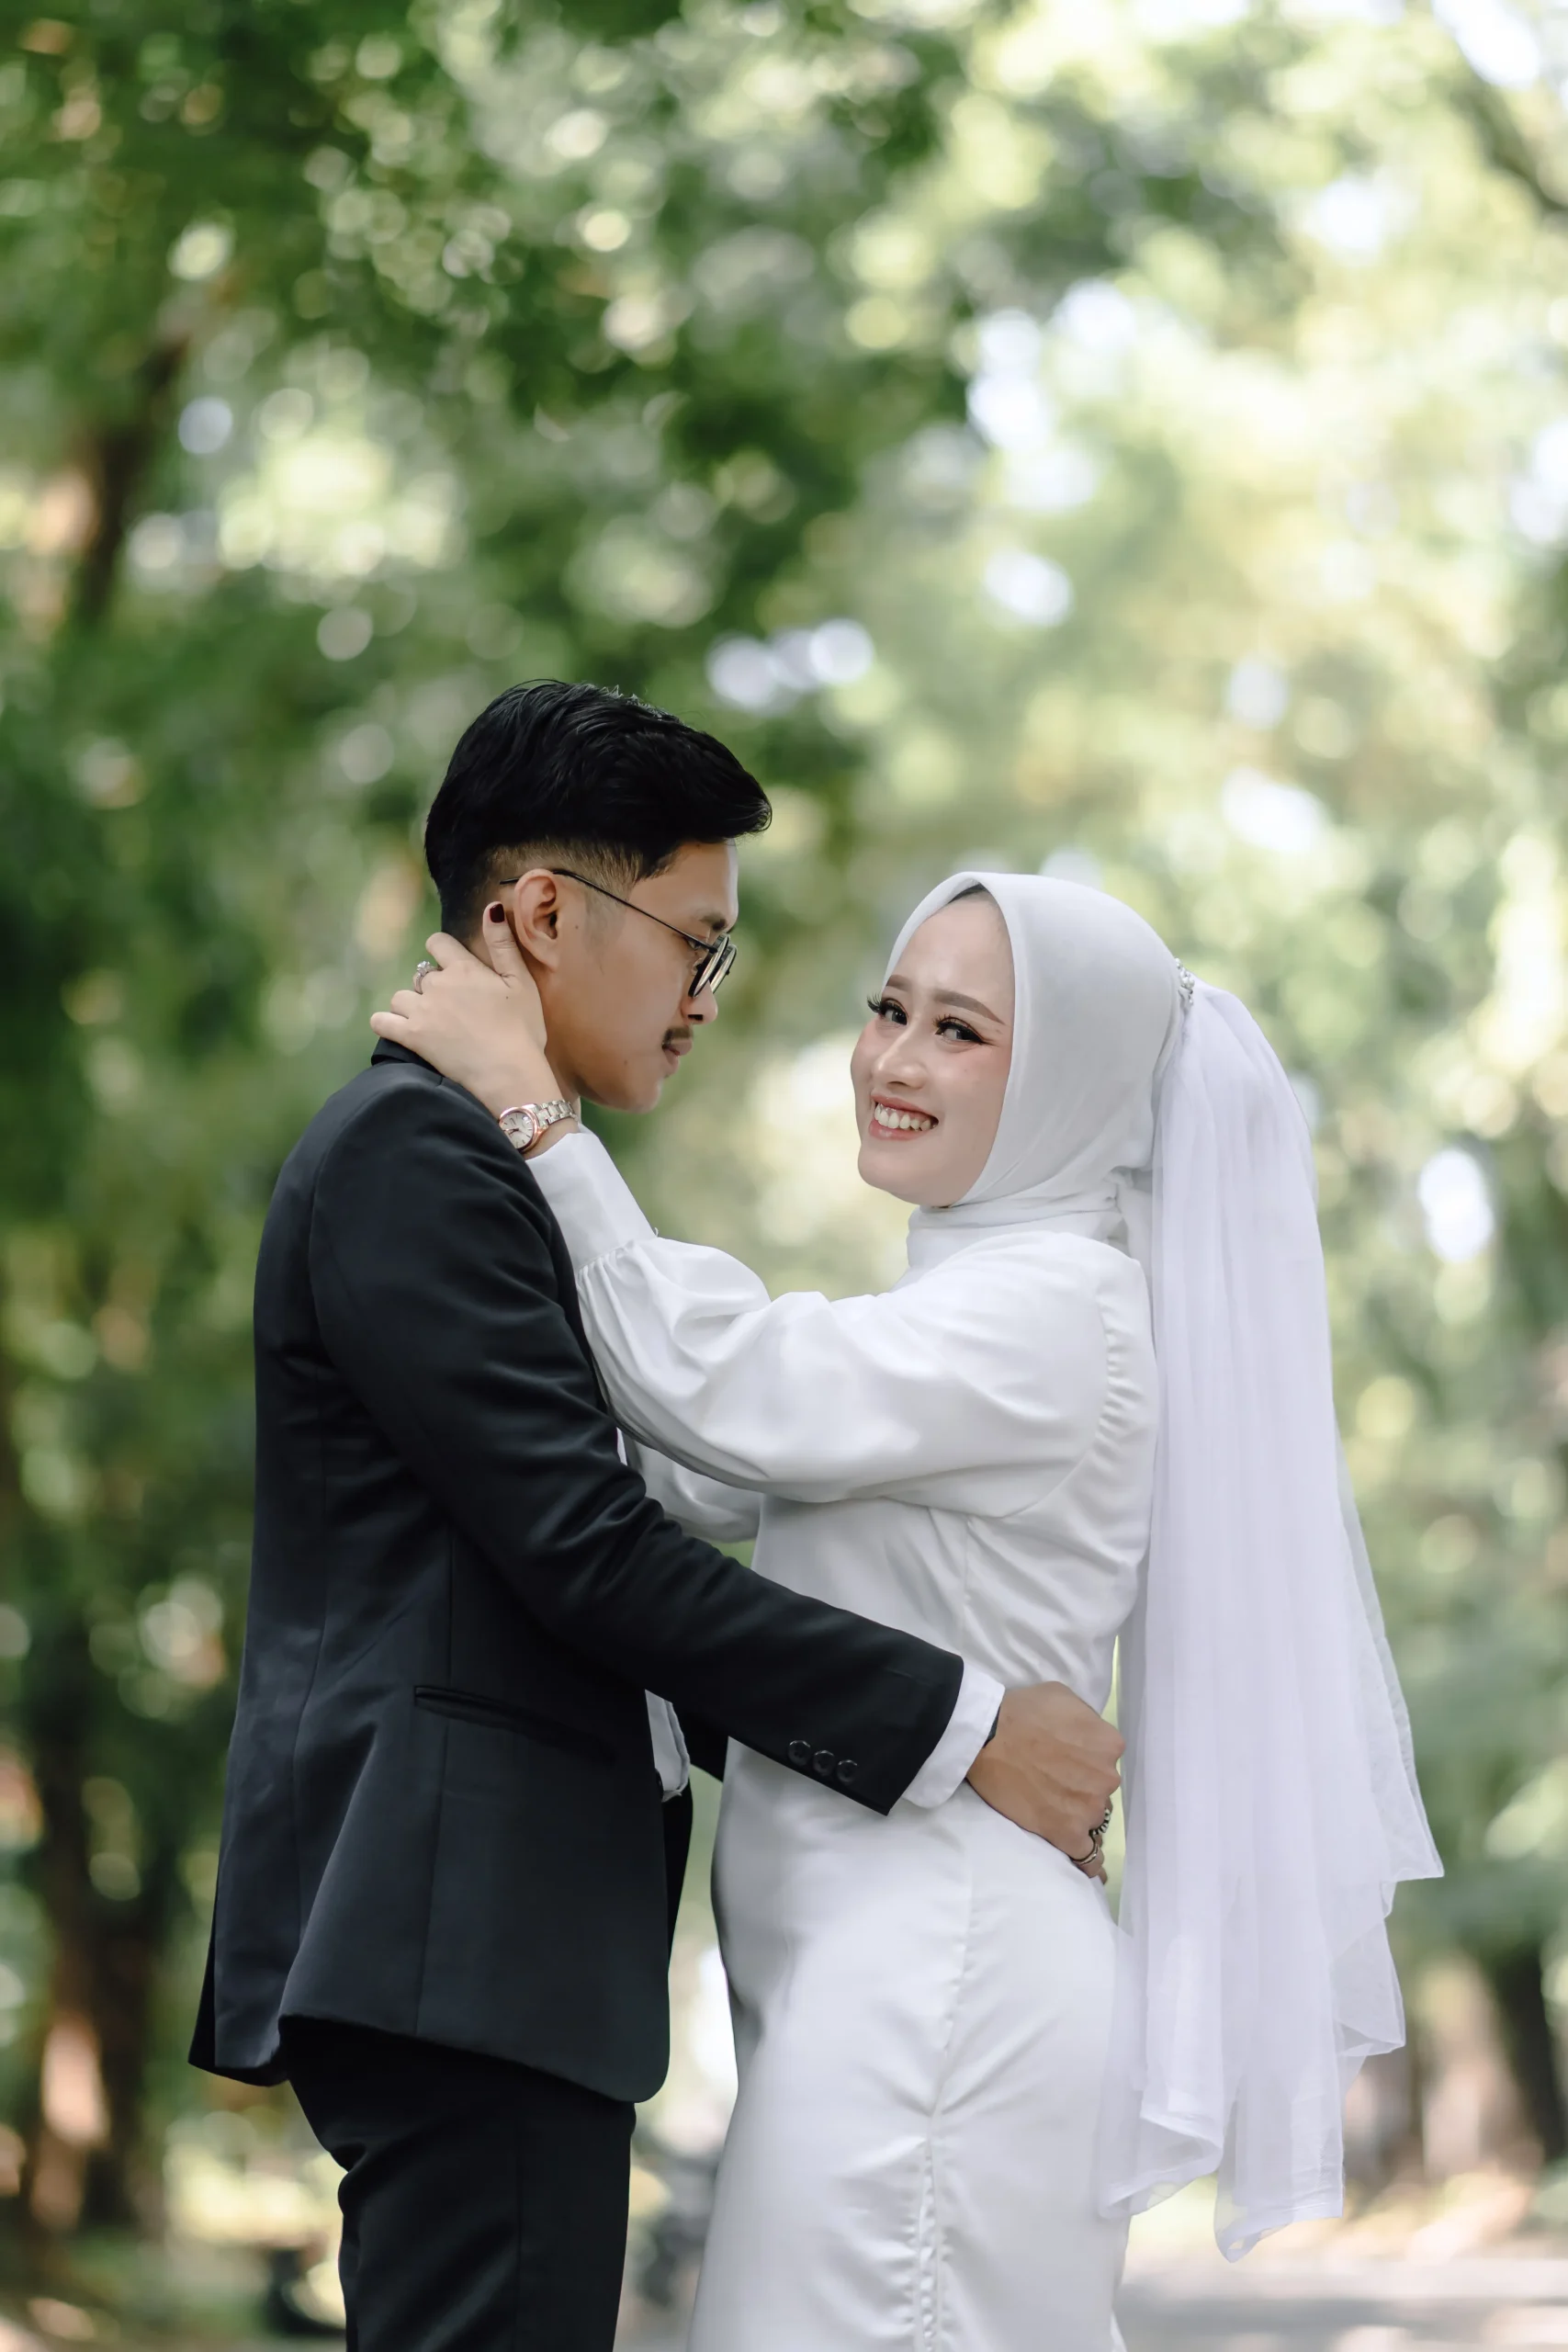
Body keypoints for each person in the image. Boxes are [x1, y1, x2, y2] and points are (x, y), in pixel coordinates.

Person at [380, 862, 1441, 2349]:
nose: (892, 1060)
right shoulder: (967, 1302)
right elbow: (696, 1472)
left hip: (942, 1996)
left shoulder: (1057, 1309)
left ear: (1071, 1083)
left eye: (960, 1031)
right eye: (888, 1010)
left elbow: (719, 1388)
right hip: (879, 1978)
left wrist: (536, 1118)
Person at [190, 683, 1125, 2352]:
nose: (703, 1000)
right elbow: (588, 1553)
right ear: (543, 916)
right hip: (457, 1936)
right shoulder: (418, 1156)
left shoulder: (470, 1163)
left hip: (494, 1947)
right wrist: (967, 1726)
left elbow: (606, 1524)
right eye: (697, 943)